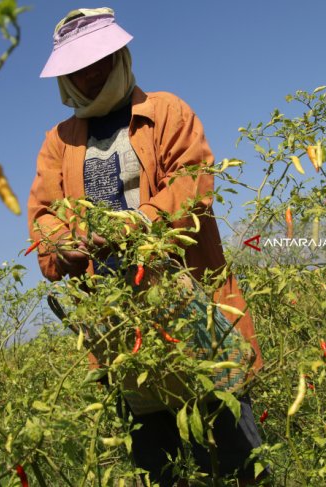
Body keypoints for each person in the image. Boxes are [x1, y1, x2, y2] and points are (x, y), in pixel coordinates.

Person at [27, 8, 266, 486]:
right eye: (78, 67)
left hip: (188, 301)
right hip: (118, 325)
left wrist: (138, 224)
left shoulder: (165, 112)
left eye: (99, 60)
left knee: (231, 442)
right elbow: (43, 216)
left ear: (120, 56)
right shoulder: (58, 142)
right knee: (159, 458)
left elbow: (193, 183)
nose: (89, 73)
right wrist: (64, 246)